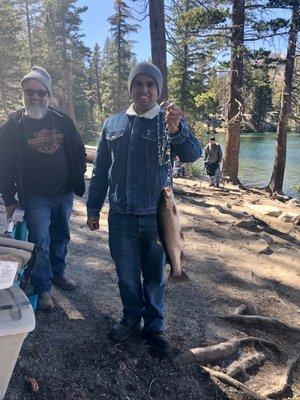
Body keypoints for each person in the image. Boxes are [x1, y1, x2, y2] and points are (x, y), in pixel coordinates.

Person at [86, 62, 201, 354]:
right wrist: (93, 208)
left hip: (156, 219)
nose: (144, 90)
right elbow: (100, 170)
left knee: (154, 277)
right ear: (131, 88)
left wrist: (177, 129)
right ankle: (129, 319)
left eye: (151, 84)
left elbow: (193, 154)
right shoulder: (112, 124)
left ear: (157, 90)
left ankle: (155, 327)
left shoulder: (167, 124)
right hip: (121, 218)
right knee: (126, 276)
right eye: (138, 84)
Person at [0, 66, 86, 311]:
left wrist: (75, 177)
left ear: (48, 95)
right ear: (23, 93)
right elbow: (3, 166)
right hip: (35, 196)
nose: (35, 97)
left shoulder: (61, 120)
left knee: (62, 236)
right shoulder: (12, 127)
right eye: (30, 92)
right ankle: (43, 287)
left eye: (41, 92)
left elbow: (79, 150)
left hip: (64, 192)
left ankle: (58, 273)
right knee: (41, 242)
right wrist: (9, 200)